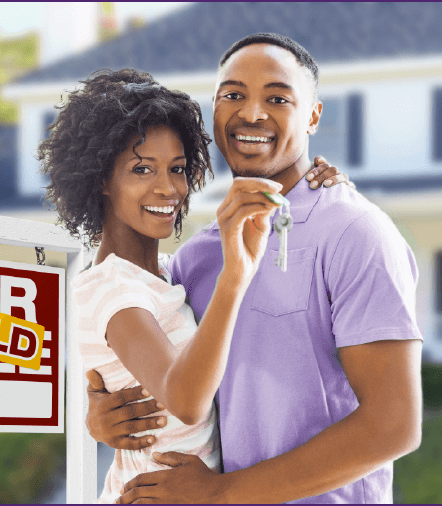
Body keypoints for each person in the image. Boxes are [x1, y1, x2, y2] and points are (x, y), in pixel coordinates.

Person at [85, 33, 424, 504]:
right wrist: (100, 417)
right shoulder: (195, 259)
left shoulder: (356, 233)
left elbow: (393, 425)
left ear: (312, 116)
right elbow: (177, 386)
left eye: (278, 98)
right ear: (216, 109)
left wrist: (222, 493)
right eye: (234, 95)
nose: (252, 113)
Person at [38, 68, 350, 504]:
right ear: (101, 180)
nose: (168, 188)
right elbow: (185, 400)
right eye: (142, 168)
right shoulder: (112, 287)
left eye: (178, 168)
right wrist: (233, 279)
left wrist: (324, 192)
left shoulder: (166, 273)